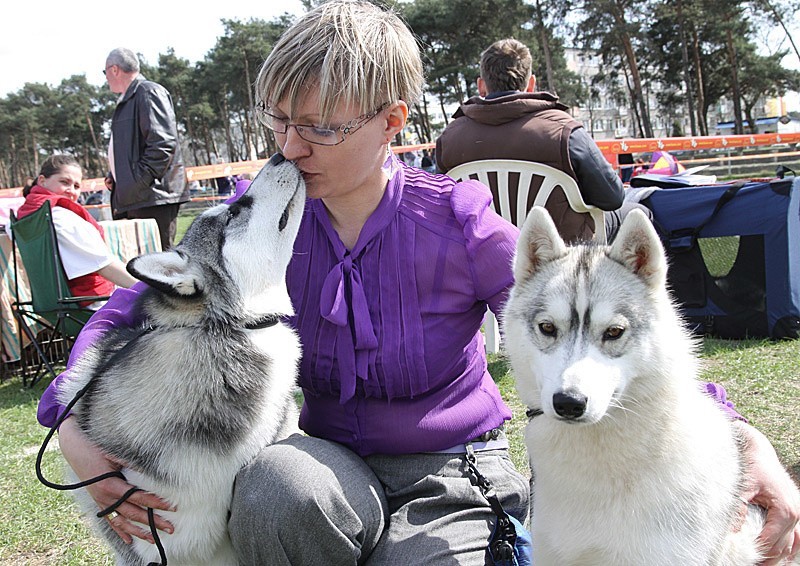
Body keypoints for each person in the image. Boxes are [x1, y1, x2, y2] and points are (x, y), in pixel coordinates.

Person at [37, 4, 799, 565]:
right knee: (276, 487)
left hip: (454, 473)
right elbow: (125, 315)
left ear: (391, 120)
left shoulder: (460, 222)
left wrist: (738, 433)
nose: (291, 148)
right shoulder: (261, 223)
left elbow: (593, 318)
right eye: (279, 122)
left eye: (321, 126)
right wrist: (73, 435)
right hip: (325, 461)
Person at [435, 38, 648, 243]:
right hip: (559, 255)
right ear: (531, 85)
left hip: (486, 250)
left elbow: (444, 205)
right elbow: (612, 198)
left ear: (482, 85)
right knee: (642, 214)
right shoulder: (565, 130)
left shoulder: (450, 138)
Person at [14, 155, 137, 305]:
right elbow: (105, 265)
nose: (71, 191)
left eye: (77, 186)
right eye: (64, 182)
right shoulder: (60, 217)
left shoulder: (25, 215)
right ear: (42, 180)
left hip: (54, 306)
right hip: (91, 304)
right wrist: (151, 289)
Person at [104, 47, 189, 250]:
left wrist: (138, 182)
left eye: (105, 72)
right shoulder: (129, 98)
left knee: (160, 265)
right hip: (137, 197)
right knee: (139, 266)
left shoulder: (147, 91)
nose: (105, 77)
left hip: (151, 198)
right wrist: (116, 176)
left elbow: (162, 144)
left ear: (114, 69)